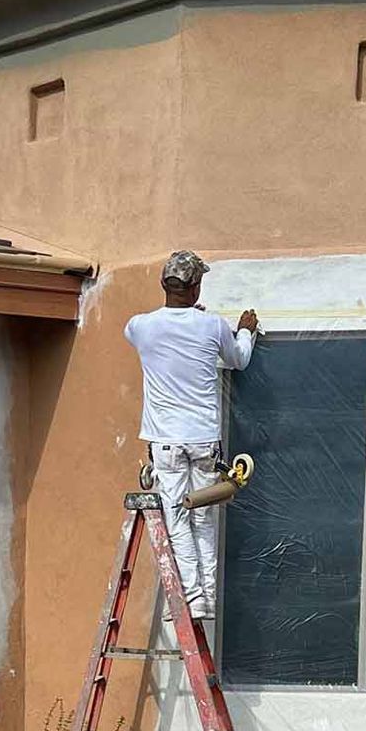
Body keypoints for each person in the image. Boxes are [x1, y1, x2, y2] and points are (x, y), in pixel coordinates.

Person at [122, 250, 258, 626]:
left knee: (177, 515)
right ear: (196, 287)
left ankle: (192, 597)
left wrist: (185, 320)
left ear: (164, 285)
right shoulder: (212, 326)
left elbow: (150, 333)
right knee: (202, 515)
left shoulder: (141, 326)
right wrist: (245, 330)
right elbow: (239, 359)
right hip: (203, 439)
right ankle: (207, 598)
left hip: (165, 441)